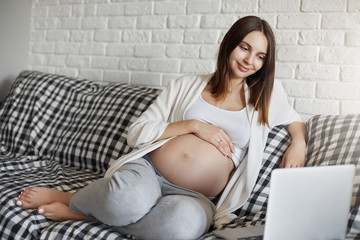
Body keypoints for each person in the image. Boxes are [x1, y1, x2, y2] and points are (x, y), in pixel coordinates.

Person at [16, 16, 306, 239]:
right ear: (230, 44)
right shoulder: (185, 85)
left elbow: (295, 120)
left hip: (198, 196)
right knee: (122, 200)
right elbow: (137, 131)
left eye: (260, 56)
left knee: (177, 231)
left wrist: (298, 144)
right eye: (244, 48)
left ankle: (86, 216)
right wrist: (194, 126)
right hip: (150, 172)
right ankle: (73, 199)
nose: (249, 60)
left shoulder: (265, 95)